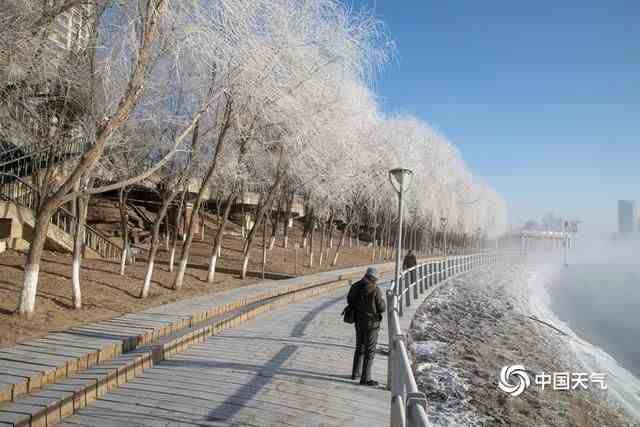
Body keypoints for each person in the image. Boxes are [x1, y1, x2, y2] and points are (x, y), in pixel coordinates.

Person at [347, 267, 386, 386]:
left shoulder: (355, 286)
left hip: (358, 321)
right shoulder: (375, 290)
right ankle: (365, 378)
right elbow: (381, 308)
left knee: (359, 347)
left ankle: (355, 373)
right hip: (371, 324)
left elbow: (349, 300)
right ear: (373, 278)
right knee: (370, 350)